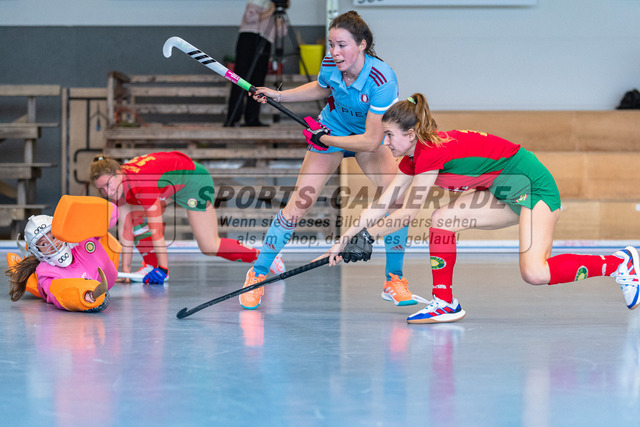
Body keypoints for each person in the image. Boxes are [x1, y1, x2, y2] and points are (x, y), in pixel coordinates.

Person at [327, 93, 640, 323]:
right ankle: (444, 303)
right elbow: (381, 204)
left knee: (535, 272)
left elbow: (408, 213)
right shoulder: (412, 157)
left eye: (389, 136)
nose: (385, 143)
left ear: (409, 134)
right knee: (443, 218)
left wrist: (367, 238)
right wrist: (346, 239)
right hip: (501, 190)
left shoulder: (429, 153)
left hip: (533, 186)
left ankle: (618, 263)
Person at [241, 10, 415, 310]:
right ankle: (257, 273)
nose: (334, 51)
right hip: (333, 128)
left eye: (342, 45)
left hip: (365, 137)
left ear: (362, 44)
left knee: (396, 200)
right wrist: (278, 96)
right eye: (332, 44)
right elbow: (323, 86)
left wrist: (326, 139)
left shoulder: (382, 79)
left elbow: (370, 141)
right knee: (299, 204)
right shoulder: (331, 63)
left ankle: (394, 279)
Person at [89, 152, 285, 284]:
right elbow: (125, 229)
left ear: (119, 173)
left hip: (194, 181)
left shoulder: (142, 184)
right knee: (135, 220)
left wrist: (164, 270)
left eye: (108, 184)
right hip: (171, 183)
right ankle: (150, 265)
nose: (108, 192)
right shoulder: (119, 186)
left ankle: (269, 257)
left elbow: (157, 231)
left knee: (210, 246)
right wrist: (125, 271)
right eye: (102, 189)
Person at [6, 195, 120, 312]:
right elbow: (58, 292)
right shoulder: (45, 272)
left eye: (53, 237)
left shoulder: (81, 239)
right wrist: (84, 296)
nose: (52, 244)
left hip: (107, 274)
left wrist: (78, 205)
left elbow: (112, 214)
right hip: (85, 291)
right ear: (37, 251)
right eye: (44, 244)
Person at [224, 0, 280, 127]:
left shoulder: (278, 11)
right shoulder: (256, 2)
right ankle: (232, 118)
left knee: (258, 80)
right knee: (240, 78)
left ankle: (252, 118)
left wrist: (278, 15)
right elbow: (250, 19)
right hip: (248, 39)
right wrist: (271, 10)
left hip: (265, 41)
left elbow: (282, 32)